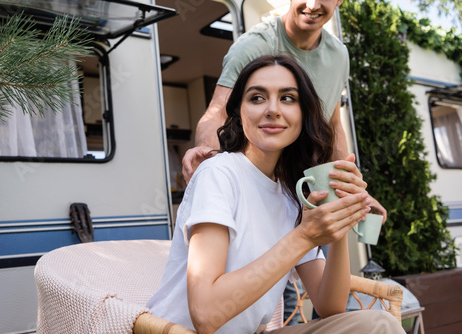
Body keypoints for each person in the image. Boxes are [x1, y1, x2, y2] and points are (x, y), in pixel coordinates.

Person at [147, 55, 404, 333]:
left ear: (303, 113)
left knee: (376, 323)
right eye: (257, 98)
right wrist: (304, 235)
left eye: (288, 98)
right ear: (238, 113)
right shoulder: (218, 175)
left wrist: (336, 221)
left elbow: (330, 307)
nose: (272, 109)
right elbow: (205, 315)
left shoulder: (291, 195)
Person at [182, 0, 387, 221]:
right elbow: (218, 111)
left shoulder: (338, 55)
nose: (312, 4)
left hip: (309, 194)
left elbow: (333, 125)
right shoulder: (253, 45)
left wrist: (354, 194)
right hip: (258, 194)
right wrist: (207, 155)